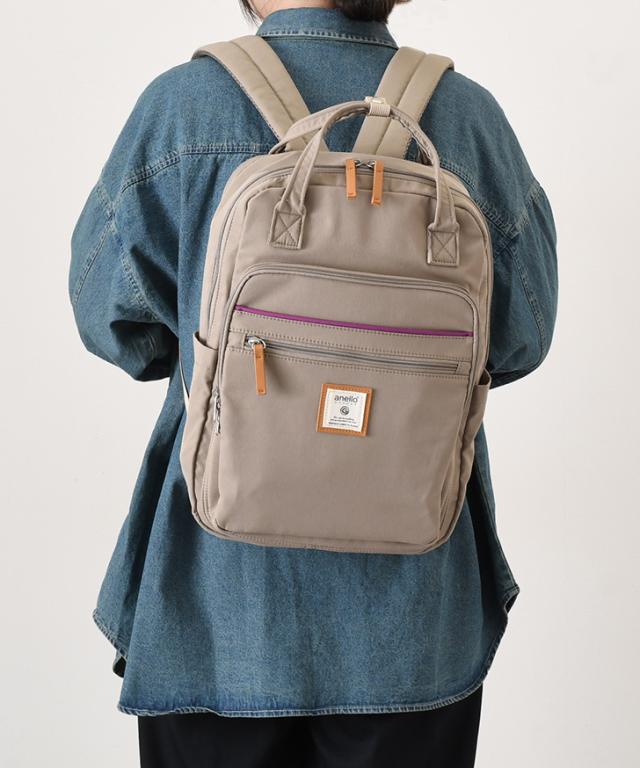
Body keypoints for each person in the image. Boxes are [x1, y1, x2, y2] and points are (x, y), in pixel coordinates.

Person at [70, 1, 558, 765]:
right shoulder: (469, 122)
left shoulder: (183, 110)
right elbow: (522, 338)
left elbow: (109, 319)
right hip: (414, 629)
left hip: (214, 616)